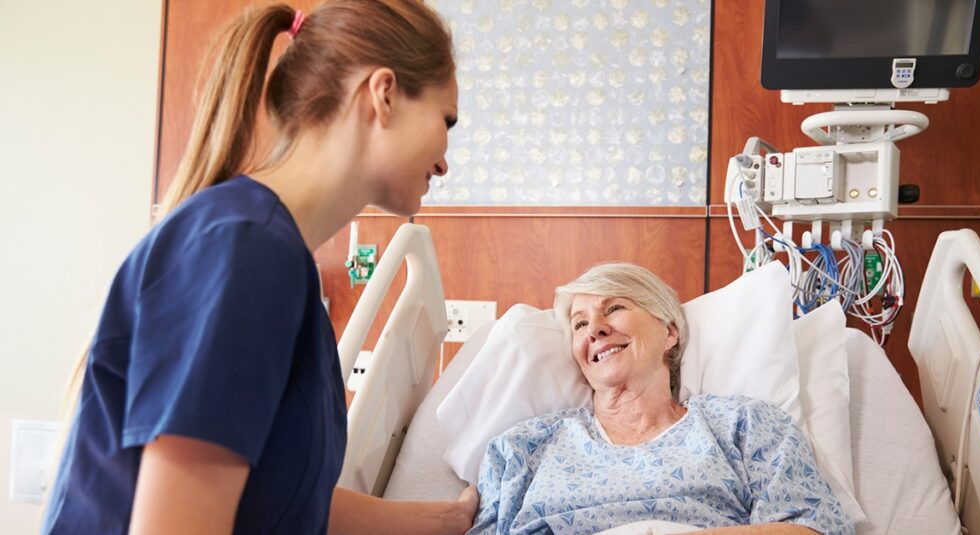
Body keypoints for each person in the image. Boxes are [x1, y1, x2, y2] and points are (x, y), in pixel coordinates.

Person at [42, 2, 477, 534]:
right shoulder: (245, 253)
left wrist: (448, 520)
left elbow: (280, 499)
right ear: (382, 95)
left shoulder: (275, 258)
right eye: (445, 120)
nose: (444, 159)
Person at [467, 263, 853, 534]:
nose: (595, 330)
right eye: (580, 323)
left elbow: (815, 527)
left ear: (669, 333)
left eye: (614, 308)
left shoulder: (745, 426)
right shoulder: (523, 448)